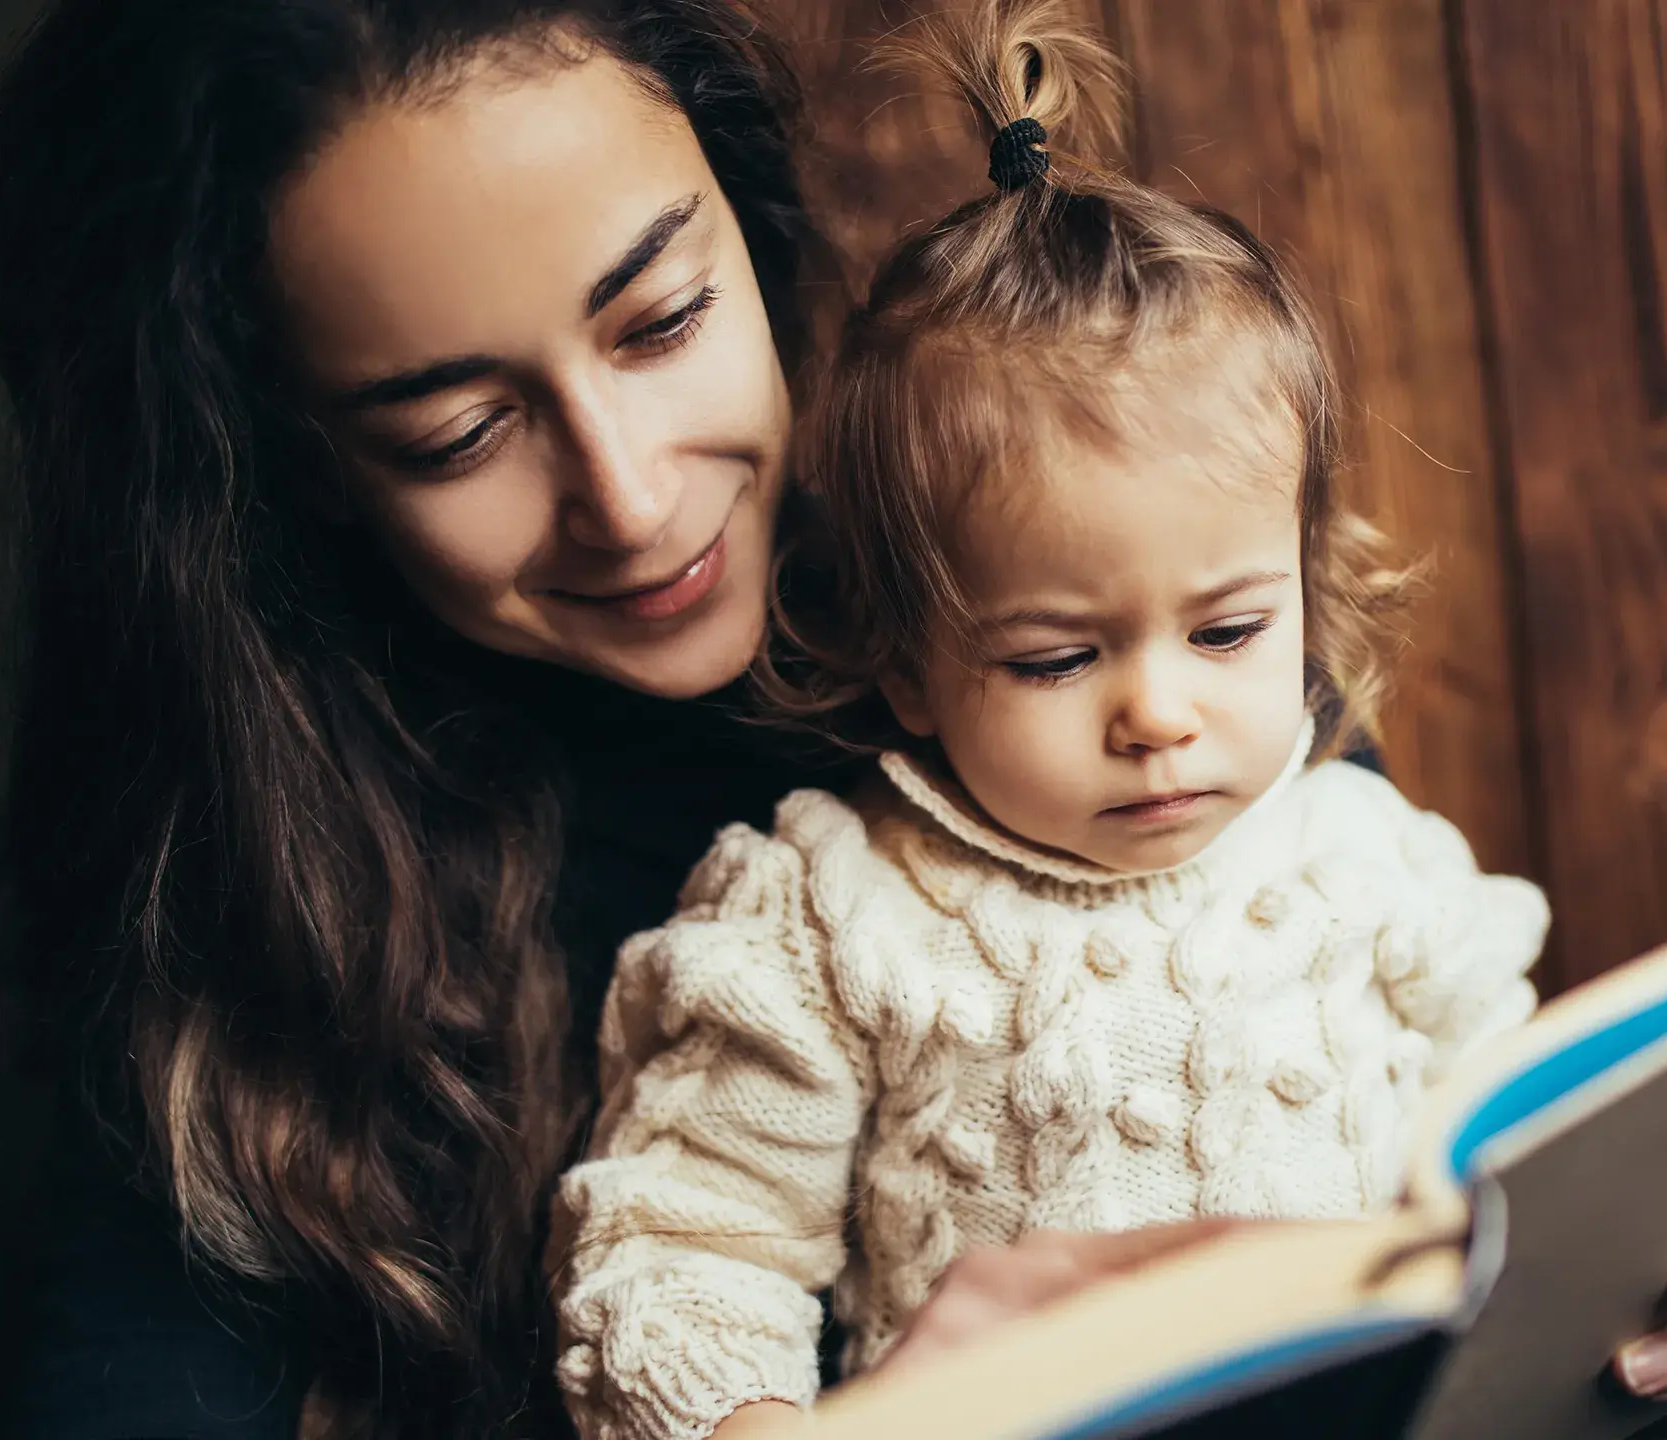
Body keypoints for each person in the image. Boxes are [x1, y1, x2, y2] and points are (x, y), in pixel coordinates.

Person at [0, 1, 1667, 1436]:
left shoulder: (1137, 659)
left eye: (660, 321)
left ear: (756, 234)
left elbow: (1489, 1129)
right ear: (296, 475)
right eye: (462, 430)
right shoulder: (282, 930)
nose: (633, 496)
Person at [546, 7, 1551, 1435]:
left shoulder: (1369, 858)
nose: (1158, 711)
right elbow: (684, 1248)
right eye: (1053, 659)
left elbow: (1532, 1151)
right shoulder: (834, 917)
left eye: (1229, 632)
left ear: (1309, 599)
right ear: (909, 671)